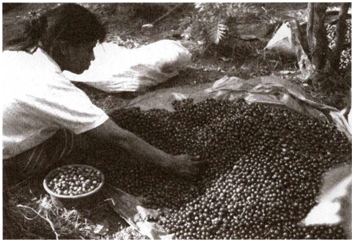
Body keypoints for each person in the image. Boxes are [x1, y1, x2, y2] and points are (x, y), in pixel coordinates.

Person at [2, 3, 202, 186]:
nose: (92, 58)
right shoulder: (49, 84)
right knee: (81, 140)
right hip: (7, 161)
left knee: (82, 129)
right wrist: (171, 163)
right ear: (65, 48)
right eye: (88, 50)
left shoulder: (19, 51)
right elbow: (119, 138)